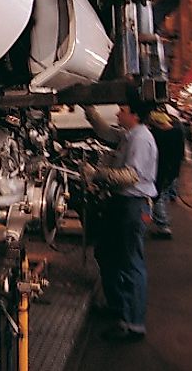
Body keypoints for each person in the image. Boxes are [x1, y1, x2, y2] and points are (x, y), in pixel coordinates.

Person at [80, 101, 158, 342]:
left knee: (130, 262)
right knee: (106, 254)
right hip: (120, 204)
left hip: (133, 206)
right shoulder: (128, 134)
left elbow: (130, 176)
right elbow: (105, 133)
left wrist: (96, 173)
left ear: (134, 114)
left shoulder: (141, 139)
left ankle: (133, 324)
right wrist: (88, 109)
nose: (117, 113)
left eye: (122, 110)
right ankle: (118, 306)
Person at [147, 110, 184, 238]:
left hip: (161, 169)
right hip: (173, 169)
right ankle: (158, 221)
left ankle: (163, 226)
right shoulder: (178, 131)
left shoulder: (156, 134)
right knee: (164, 194)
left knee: (158, 196)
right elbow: (181, 154)